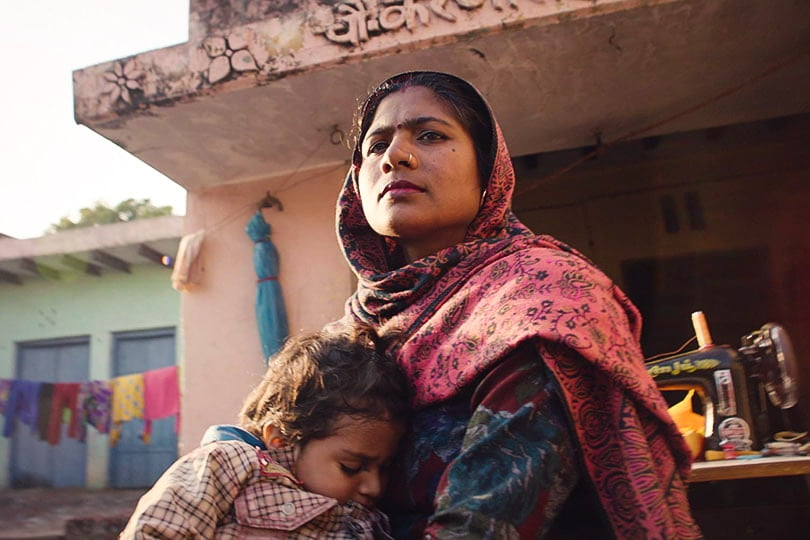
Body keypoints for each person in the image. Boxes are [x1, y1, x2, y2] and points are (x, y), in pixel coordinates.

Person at [334, 71, 702, 538]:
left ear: (488, 170)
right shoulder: (355, 329)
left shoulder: (543, 297)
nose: (395, 158)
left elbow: (480, 527)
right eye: (376, 145)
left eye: (430, 135)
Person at [121, 325, 411, 539]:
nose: (374, 487)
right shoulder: (231, 463)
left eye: (384, 468)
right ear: (282, 439)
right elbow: (154, 531)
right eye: (351, 467)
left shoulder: (367, 521)